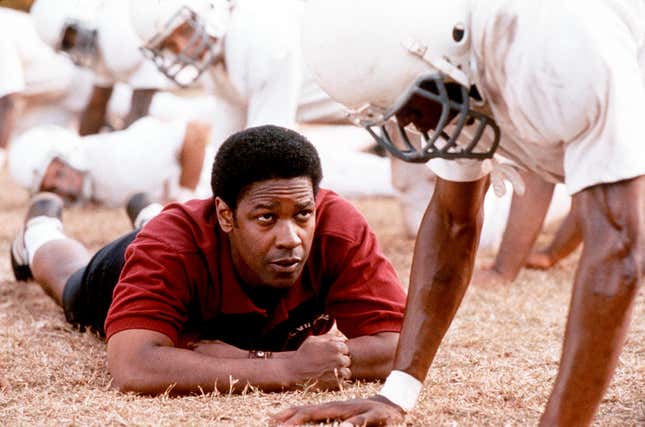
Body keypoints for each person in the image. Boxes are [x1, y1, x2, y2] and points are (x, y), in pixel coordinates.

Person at [271, 0, 645, 425]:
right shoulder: (448, 66)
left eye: (411, 108)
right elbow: (453, 222)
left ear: (443, 48)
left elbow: (619, 250)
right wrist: (396, 394)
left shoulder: (559, 48)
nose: (417, 128)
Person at [9, 125, 407, 394]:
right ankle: (40, 230)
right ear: (225, 215)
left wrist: (256, 359)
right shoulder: (170, 246)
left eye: (302, 214)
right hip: (133, 264)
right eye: (266, 217)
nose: (290, 238)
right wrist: (285, 369)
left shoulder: (337, 227)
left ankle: (148, 207)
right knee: (71, 285)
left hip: (192, 240)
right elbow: (132, 365)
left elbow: (401, 346)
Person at [30, 0, 169, 135]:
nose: (75, 44)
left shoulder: (119, 31)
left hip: (174, 95)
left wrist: (122, 147)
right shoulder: (102, 44)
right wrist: (80, 148)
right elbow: (97, 104)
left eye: (71, 36)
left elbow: (140, 108)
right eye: (68, 44)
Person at [7, 117, 211, 207]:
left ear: (66, 152)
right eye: (51, 188)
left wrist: (186, 196)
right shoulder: (92, 185)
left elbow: (195, 133)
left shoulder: (116, 157)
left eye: (59, 174)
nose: (62, 187)